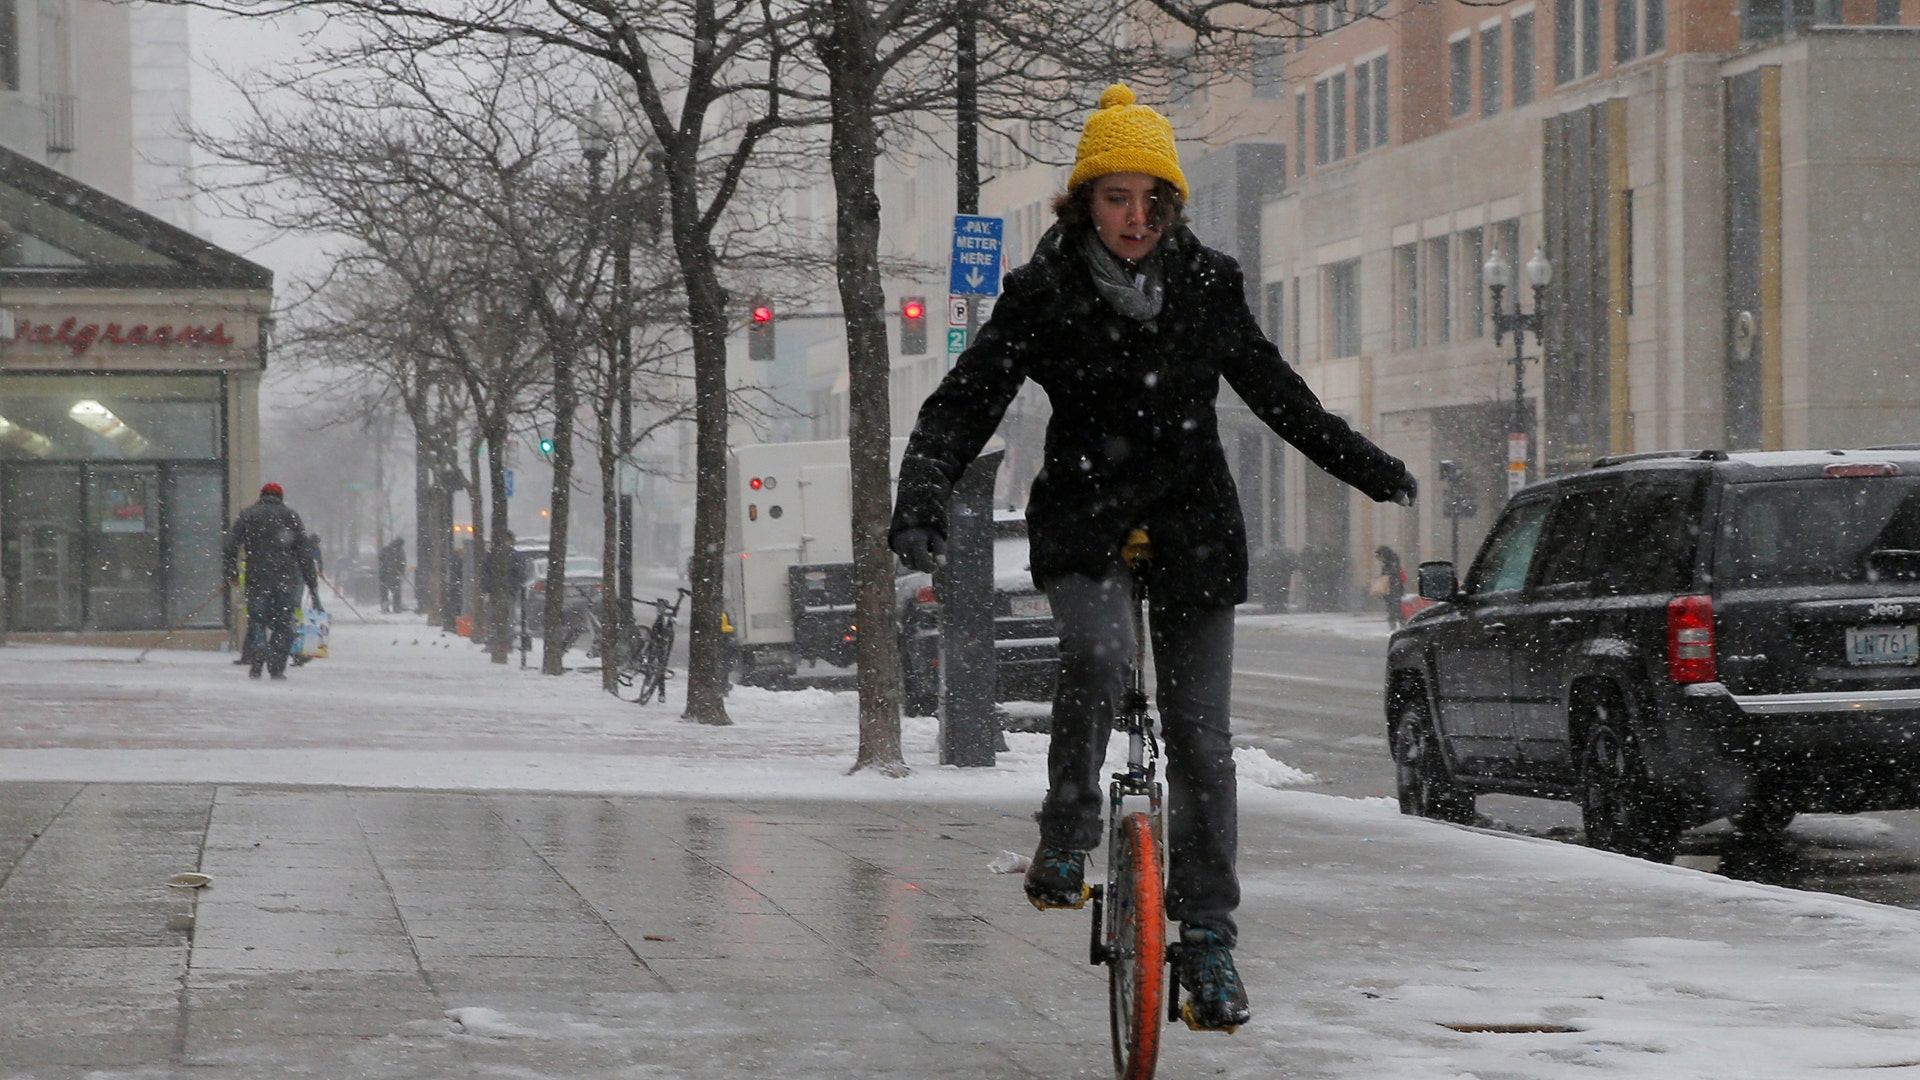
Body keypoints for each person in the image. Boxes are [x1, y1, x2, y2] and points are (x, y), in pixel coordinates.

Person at [888, 84, 1417, 1032]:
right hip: (1086, 516)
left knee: (1204, 741)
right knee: (1093, 657)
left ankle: (1209, 941)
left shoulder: (1210, 285)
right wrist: (921, 496)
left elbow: (1275, 391)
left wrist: (1366, 465)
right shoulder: (1042, 293)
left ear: (1172, 205)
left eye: (1151, 200)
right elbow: (964, 402)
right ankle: (1066, 828)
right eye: (1115, 198)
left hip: (1192, 524)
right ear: (1084, 201)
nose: (1135, 218)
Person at [223, 482, 321, 680]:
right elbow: (304, 552)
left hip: (257, 577)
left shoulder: (248, 515)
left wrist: (232, 572)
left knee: (257, 619)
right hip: (285, 578)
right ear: (280, 497)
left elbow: (231, 545)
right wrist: (311, 581)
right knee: (283, 624)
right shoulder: (291, 516)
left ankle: (259, 646)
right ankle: (276, 668)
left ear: (262, 495)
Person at [1376, 545, 1407, 629]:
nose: (1379, 559)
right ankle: (1399, 625)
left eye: (1379, 557)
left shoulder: (1391, 564)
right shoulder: (1393, 562)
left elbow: (1391, 577)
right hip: (1393, 589)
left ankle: (1397, 626)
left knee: (1394, 609)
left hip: (1393, 589)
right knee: (1395, 609)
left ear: (1383, 555)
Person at [379, 537, 407, 613]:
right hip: (394, 574)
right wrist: (401, 573)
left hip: (384, 574)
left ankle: (385, 607)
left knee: (384, 592)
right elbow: (402, 563)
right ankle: (396, 607)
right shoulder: (400, 551)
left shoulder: (385, 550)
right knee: (396, 592)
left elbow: (381, 559)